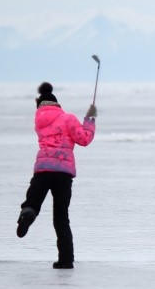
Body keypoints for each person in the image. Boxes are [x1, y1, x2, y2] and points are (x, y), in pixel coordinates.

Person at [17, 82, 97, 269]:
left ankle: (28, 212)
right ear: (57, 104)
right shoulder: (67, 118)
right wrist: (90, 119)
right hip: (63, 173)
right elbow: (83, 139)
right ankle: (66, 260)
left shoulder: (38, 121)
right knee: (61, 217)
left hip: (43, 169)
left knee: (32, 203)